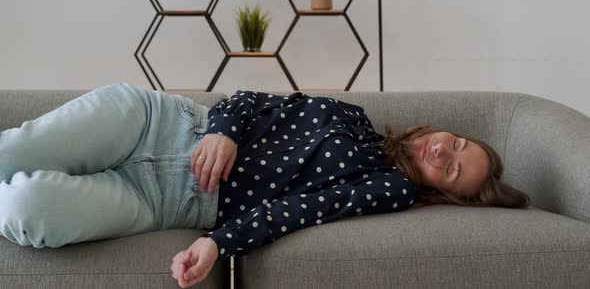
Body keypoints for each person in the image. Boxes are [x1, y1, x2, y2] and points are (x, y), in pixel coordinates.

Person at [0, 83, 530, 288]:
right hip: (155, 121)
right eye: (457, 143)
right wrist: (224, 131)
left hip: (163, 201)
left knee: (29, 210)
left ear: (442, 194)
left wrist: (216, 241)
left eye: (454, 170)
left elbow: (299, 211)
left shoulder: (388, 188)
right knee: (12, 153)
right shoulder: (353, 115)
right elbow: (252, 98)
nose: (444, 152)